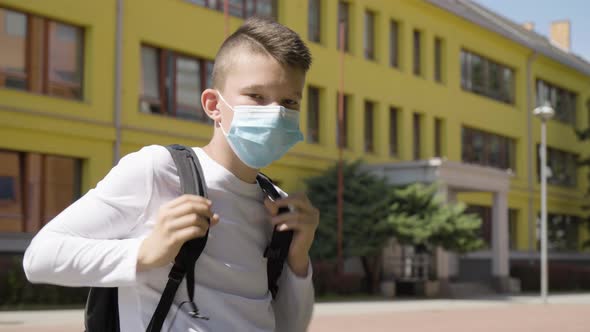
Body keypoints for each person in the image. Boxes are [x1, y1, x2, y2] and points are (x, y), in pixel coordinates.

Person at [23, 17, 318, 332]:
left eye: (289, 102)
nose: (275, 114)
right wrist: (145, 252)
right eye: (256, 96)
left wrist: (297, 261)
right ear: (213, 105)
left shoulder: (279, 205)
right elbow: (40, 258)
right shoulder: (158, 170)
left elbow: (289, 326)